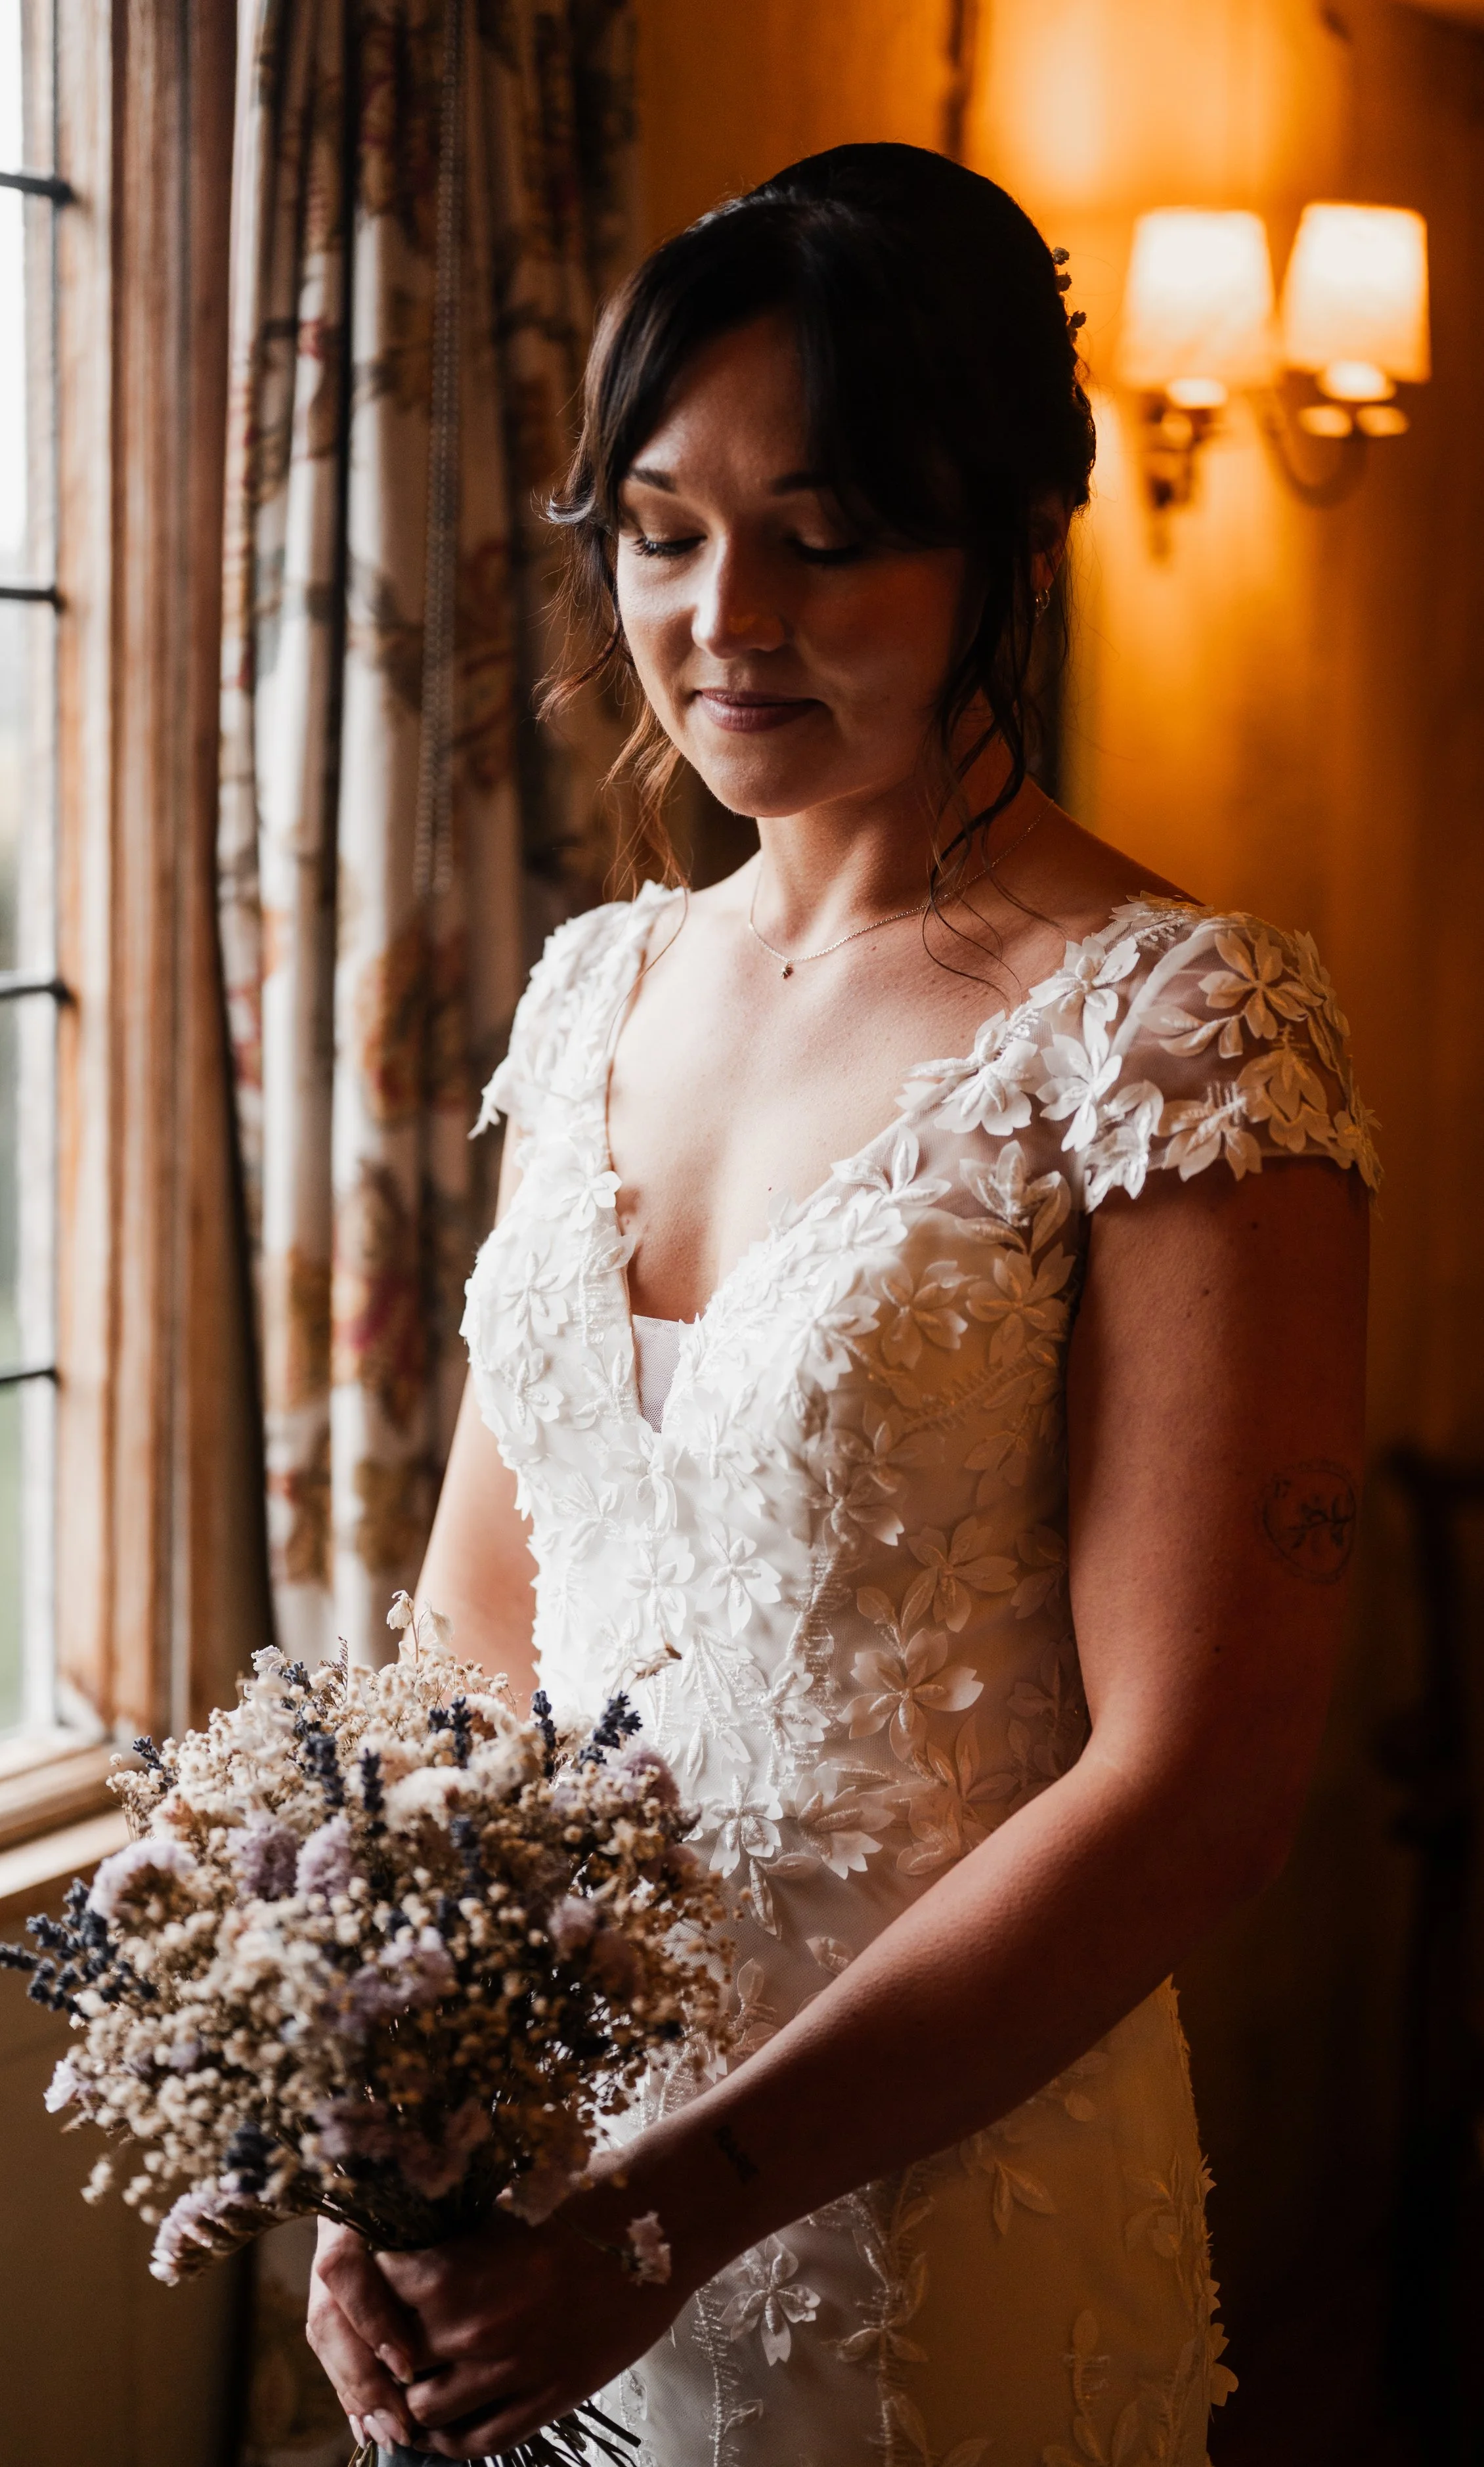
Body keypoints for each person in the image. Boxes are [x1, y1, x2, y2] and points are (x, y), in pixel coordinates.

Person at [305, 142, 1375, 2466]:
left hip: (927, 2253)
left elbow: (1193, 1790)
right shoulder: (595, 988)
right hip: (537, 2208)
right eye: (663, 529)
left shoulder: (1175, 1035)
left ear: (1002, 531)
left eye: (825, 530)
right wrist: (380, 2135)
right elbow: (477, 1638)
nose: (724, 619)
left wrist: (666, 2221)